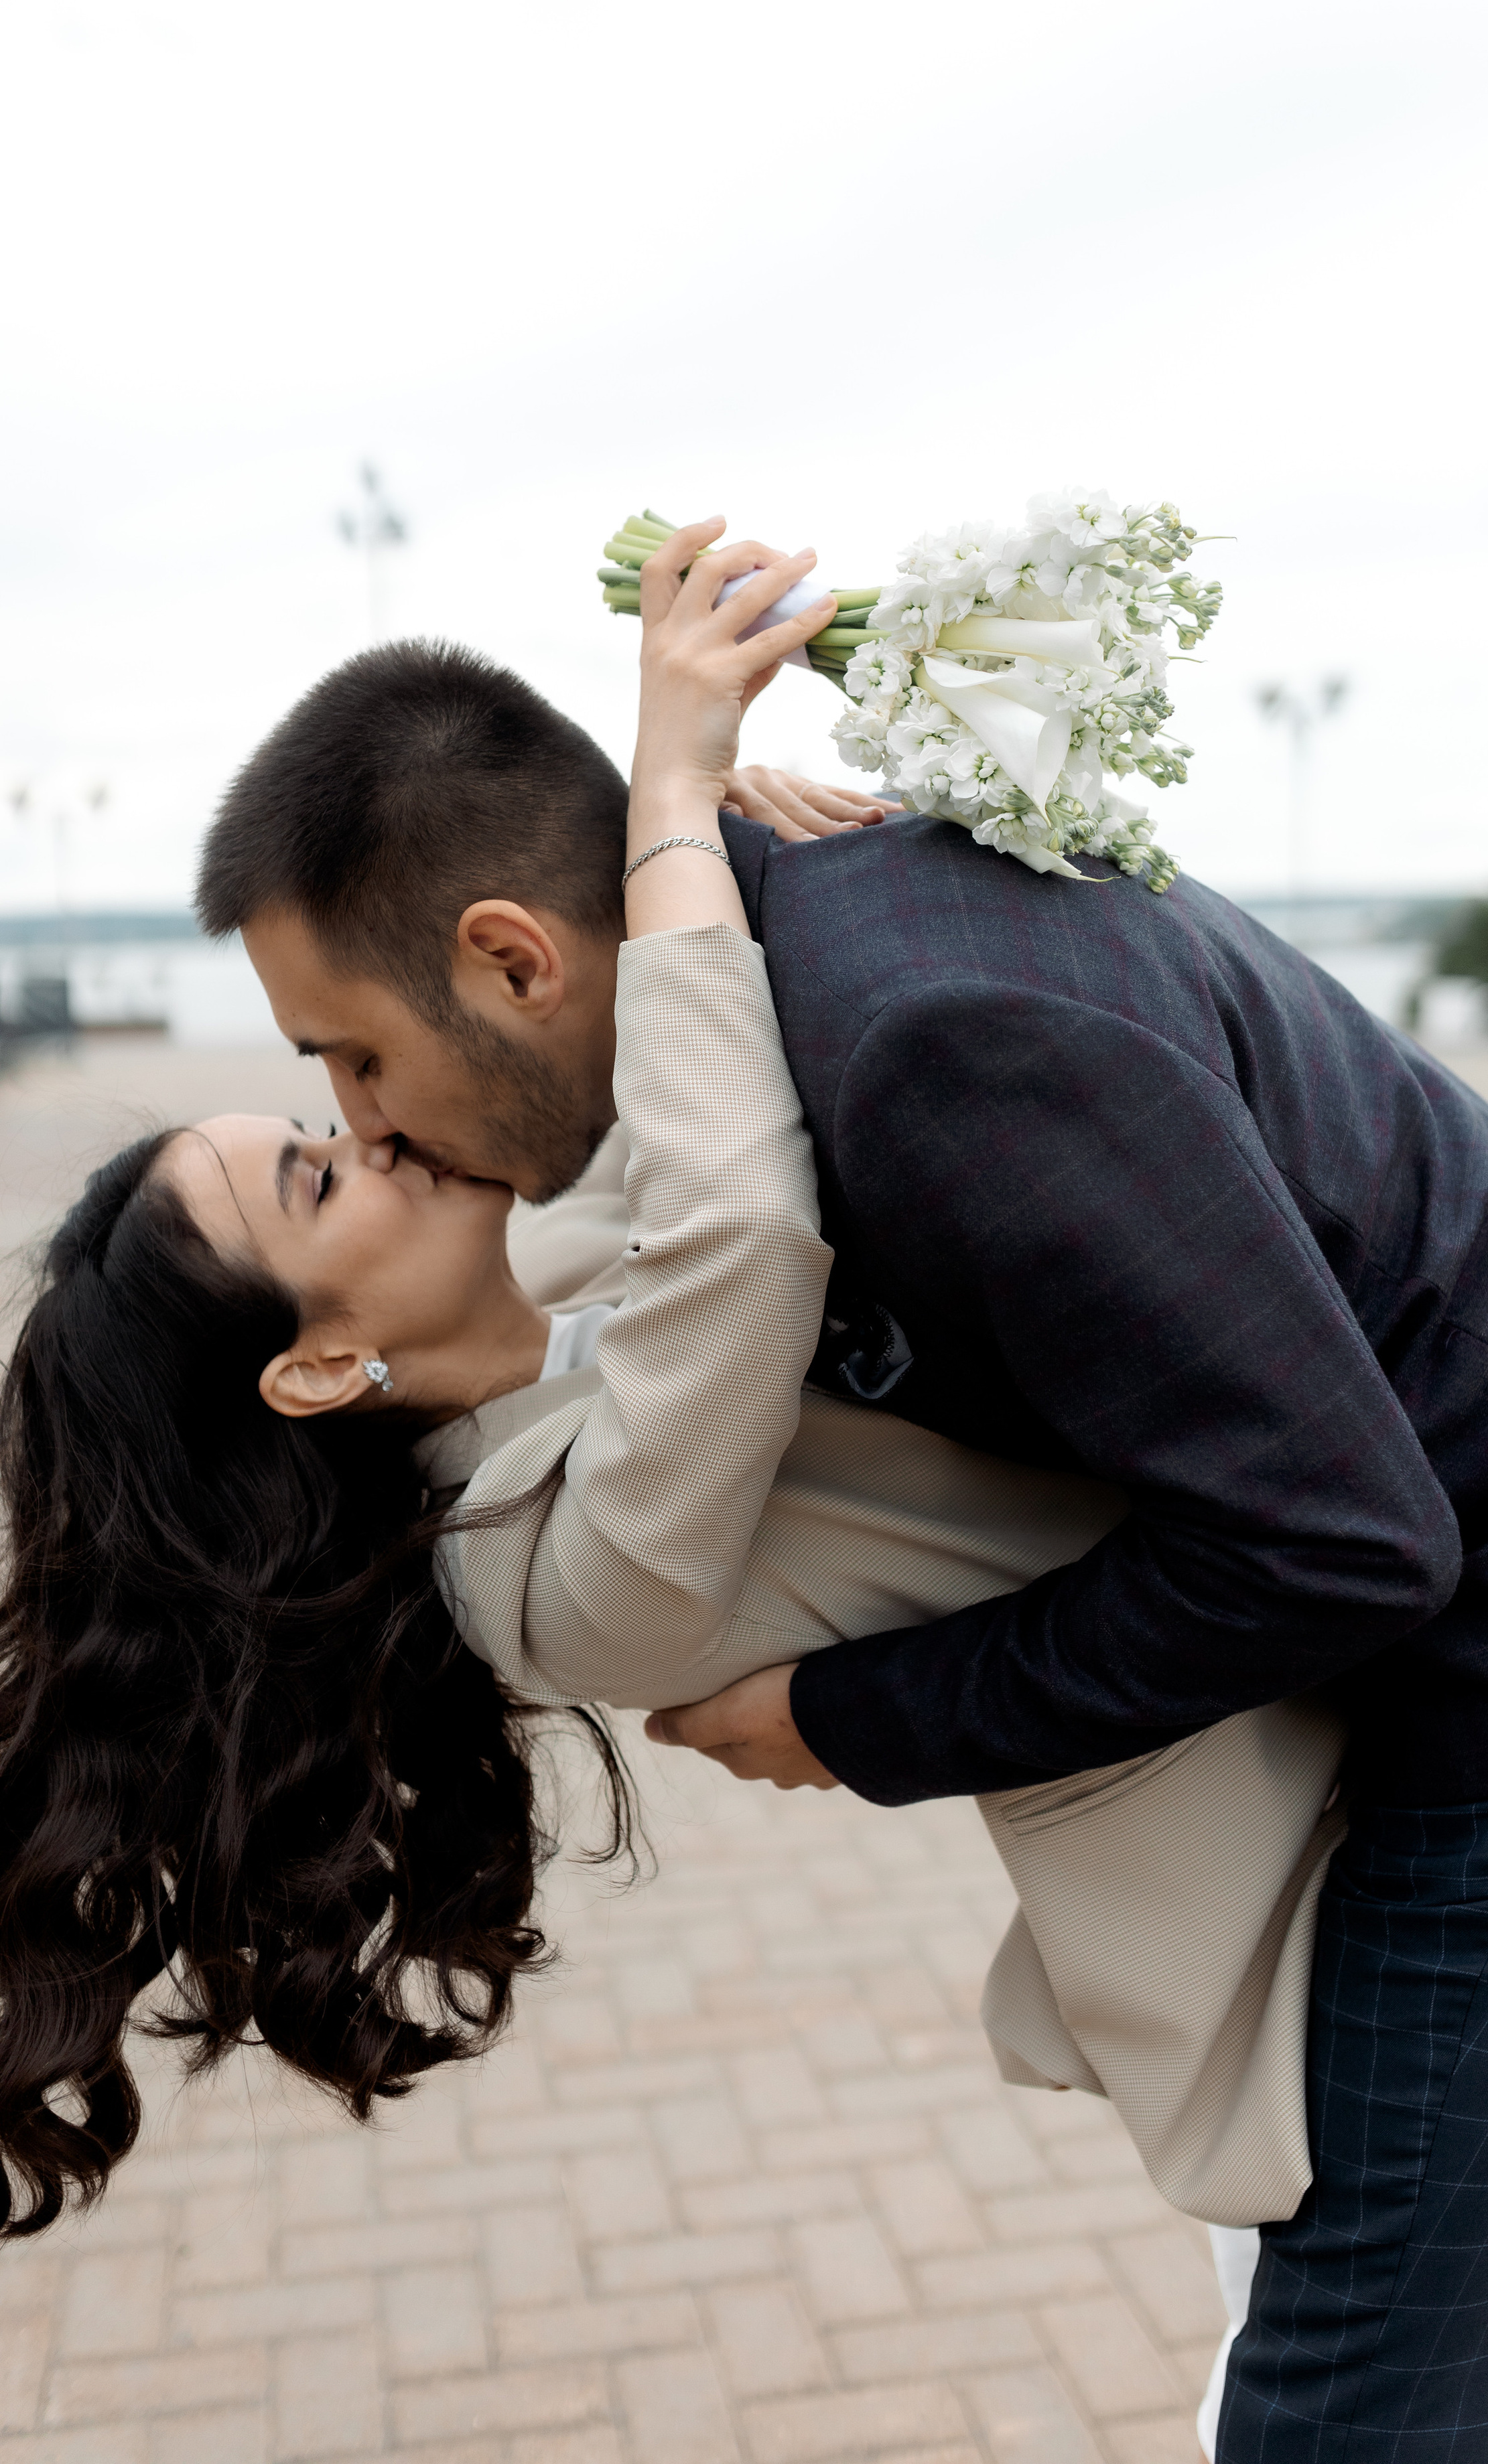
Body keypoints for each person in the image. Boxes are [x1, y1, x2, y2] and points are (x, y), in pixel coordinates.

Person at [194, 520, 1488, 2463]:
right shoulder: (775, 960)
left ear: (511, 959)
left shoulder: (926, 1042)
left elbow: (1338, 1541)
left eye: (356, 1059)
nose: (360, 1122)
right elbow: (674, 1199)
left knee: (1360, 2416)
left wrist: (855, 1719)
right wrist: (685, 817)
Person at [0, 549, 1335, 2259]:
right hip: (1299, 1916)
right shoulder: (545, 1594)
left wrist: (664, 867)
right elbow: (743, 1234)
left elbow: (639, 1059)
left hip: (1372, 1699)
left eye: (336, 1107)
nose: (381, 1132)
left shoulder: (558, 1240)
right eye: (325, 1179)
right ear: (322, 1365)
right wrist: (672, 803)